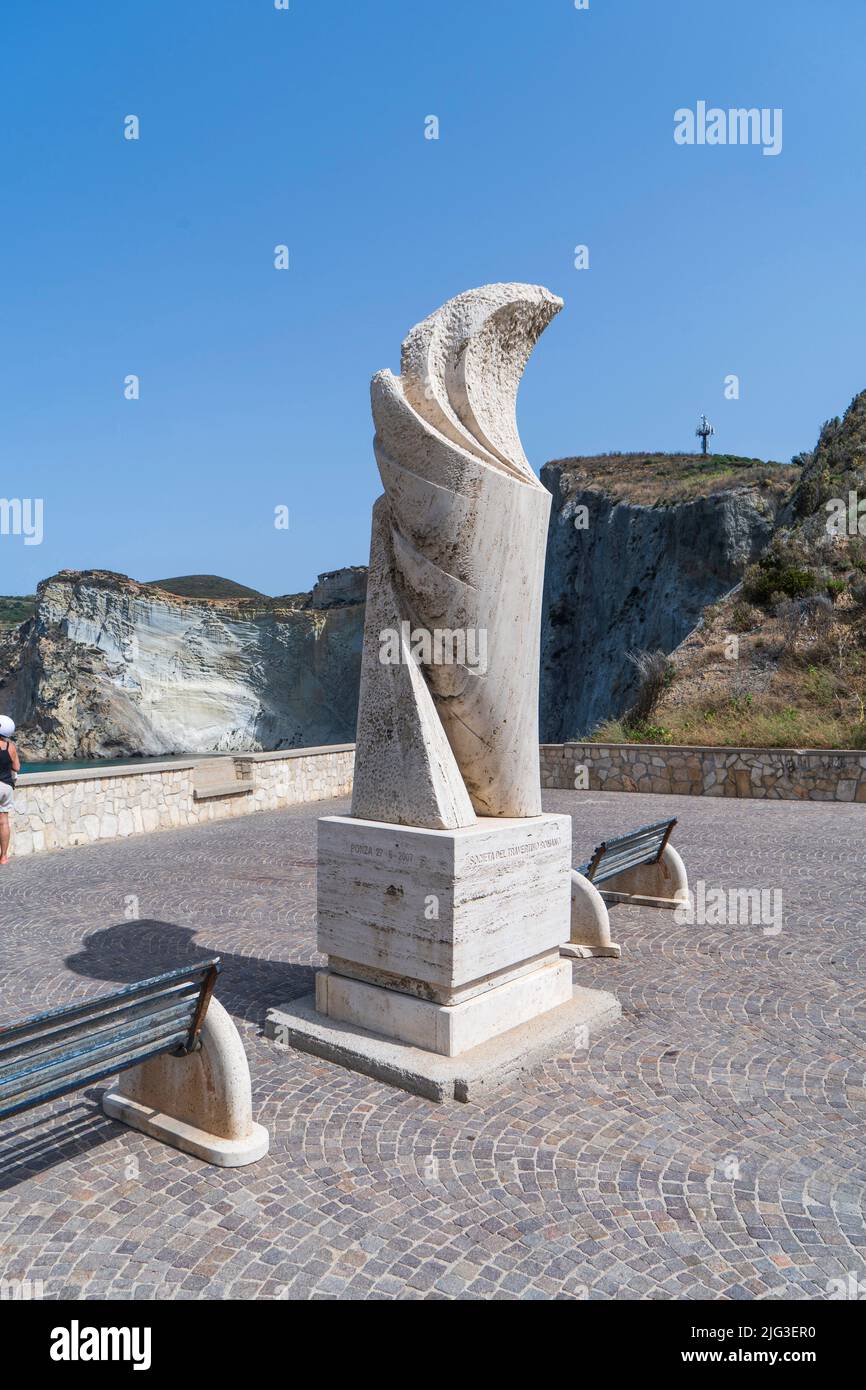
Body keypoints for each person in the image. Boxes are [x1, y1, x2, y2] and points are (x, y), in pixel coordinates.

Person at [0, 715, 20, 864]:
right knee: (4, 822)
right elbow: (17, 767)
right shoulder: (11, 747)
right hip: (7, 787)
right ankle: (4, 856)